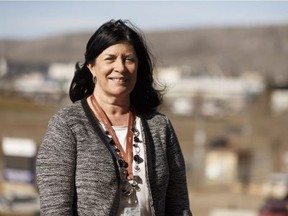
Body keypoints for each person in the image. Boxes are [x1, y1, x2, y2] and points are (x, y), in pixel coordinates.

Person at [36, 19, 192, 216]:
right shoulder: (67, 125)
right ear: (91, 66)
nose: (120, 67)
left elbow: (179, 206)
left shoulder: (160, 127)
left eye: (129, 59)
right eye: (110, 58)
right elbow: (55, 209)